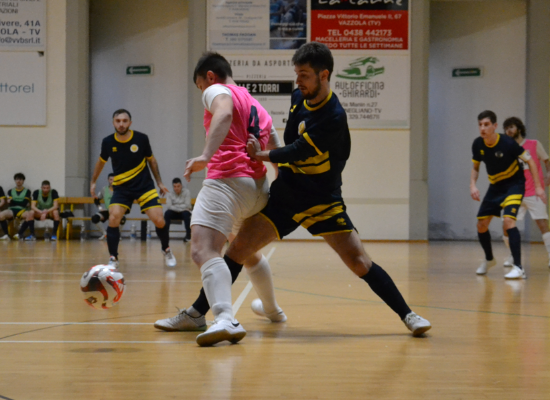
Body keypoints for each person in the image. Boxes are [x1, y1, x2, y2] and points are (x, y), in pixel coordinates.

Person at [214, 42, 431, 337]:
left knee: (359, 261)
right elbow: (289, 141)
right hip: (288, 196)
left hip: (322, 200)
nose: (298, 81)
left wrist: (261, 155)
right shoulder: (297, 98)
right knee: (238, 249)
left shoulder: (333, 116)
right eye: (296, 74)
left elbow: (298, 150)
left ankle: (408, 315)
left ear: (324, 75)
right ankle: (197, 313)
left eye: (304, 75)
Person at [154, 52, 285, 346]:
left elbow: (223, 113)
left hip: (227, 182)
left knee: (203, 250)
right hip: (257, 189)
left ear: (210, 77)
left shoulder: (217, 90)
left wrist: (205, 155)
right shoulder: (257, 106)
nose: (203, 92)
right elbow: (277, 152)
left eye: (201, 86)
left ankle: (225, 319)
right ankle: (273, 311)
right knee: (247, 252)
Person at [90, 109, 176, 268]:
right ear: (113, 123)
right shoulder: (108, 142)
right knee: (114, 217)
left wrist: (159, 182)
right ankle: (113, 258)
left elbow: (152, 160)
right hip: (122, 188)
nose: (121, 124)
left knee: (159, 219)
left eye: (124, 121)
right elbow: (101, 162)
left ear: (130, 122)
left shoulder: (141, 139)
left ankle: (166, 249)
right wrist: (93, 181)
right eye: (118, 121)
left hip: (144, 186)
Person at [470, 110, 546, 279]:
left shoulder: (508, 143)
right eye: (480, 125)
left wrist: (539, 187)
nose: (482, 128)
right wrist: (472, 185)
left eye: (486, 125)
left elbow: (530, 161)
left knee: (508, 221)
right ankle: (489, 259)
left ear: (495, 126)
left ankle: (518, 267)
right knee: (481, 225)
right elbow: (475, 167)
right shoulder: (478, 144)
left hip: (514, 185)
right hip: (495, 187)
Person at [503, 117, 550, 268]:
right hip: (515, 193)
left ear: (519, 128)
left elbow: (546, 159)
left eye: (511, 127)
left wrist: (549, 173)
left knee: (542, 223)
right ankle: (512, 255)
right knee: (507, 224)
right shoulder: (507, 148)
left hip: (534, 192)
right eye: (506, 128)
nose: (509, 131)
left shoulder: (534, 144)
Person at [92, 173, 127, 240]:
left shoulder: (119, 190)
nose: (112, 181)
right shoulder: (104, 189)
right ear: (108, 180)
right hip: (107, 211)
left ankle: (117, 234)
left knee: (123, 219)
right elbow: (96, 199)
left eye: (114, 180)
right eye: (111, 180)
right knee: (95, 218)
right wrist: (100, 208)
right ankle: (105, 234)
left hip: (116, 211)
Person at [0, 173, 33, 241]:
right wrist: (19, 202)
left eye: (20, 179)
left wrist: (13, 201)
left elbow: (24, 203)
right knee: (1, 215)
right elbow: (10, 204)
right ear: (15, 180)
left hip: (22, 210)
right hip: (11, 210)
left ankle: (19, 234)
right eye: (17, 179)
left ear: (23, 181)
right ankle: (7, 235)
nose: (18, 181)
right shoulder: (10, 191)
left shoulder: (27, 191)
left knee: (30, 215)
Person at [164, 177, 192, 242]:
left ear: (181, 186)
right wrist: (180, 207)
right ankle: (165, 236)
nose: (176, 188)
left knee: (187, 214)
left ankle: (188, 236)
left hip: (184, 212)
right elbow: (169, 206)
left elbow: (188, 205)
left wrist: (175, 206)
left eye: (178, 186)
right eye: (175, 186)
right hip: (175, 212)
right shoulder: (169, 193)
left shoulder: (187, 192)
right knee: (167, 214)